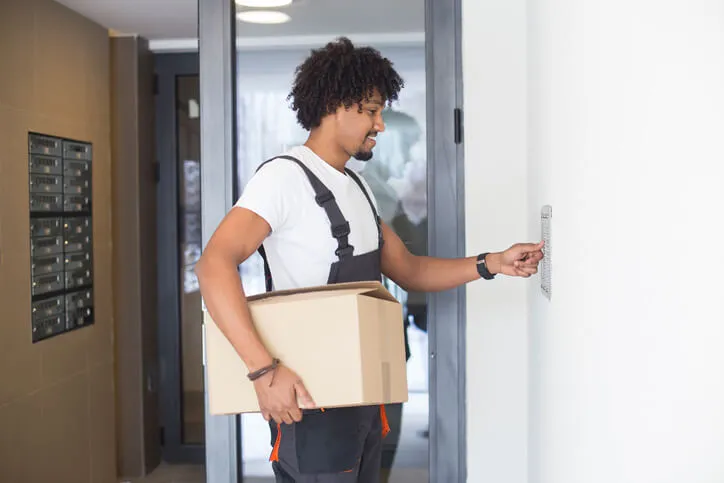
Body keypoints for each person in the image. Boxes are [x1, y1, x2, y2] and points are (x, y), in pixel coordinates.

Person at [195, 37, 544, 483]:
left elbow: (409, 269)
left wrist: (491, 262)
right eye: (371, 110)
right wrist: (263, 372)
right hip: (309, 403)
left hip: (360, 399)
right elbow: (214, 264)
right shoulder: (283, 178)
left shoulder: (356, 188)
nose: (380, 124)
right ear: (335, 104)